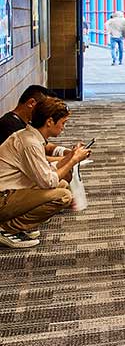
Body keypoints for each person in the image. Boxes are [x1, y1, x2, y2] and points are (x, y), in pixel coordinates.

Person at [0, 97, 91, 249]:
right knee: (63, 195)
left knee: (62, 184)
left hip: (10, 191)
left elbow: (47, 171)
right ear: (49, 121)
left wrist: (70, 156)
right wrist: (73, 160)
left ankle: (11, 226)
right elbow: (48, 181)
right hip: (3, 197)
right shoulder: (30, 143)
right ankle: (7, 228)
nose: (64, 128)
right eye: (63, 123)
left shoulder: (29, 137)